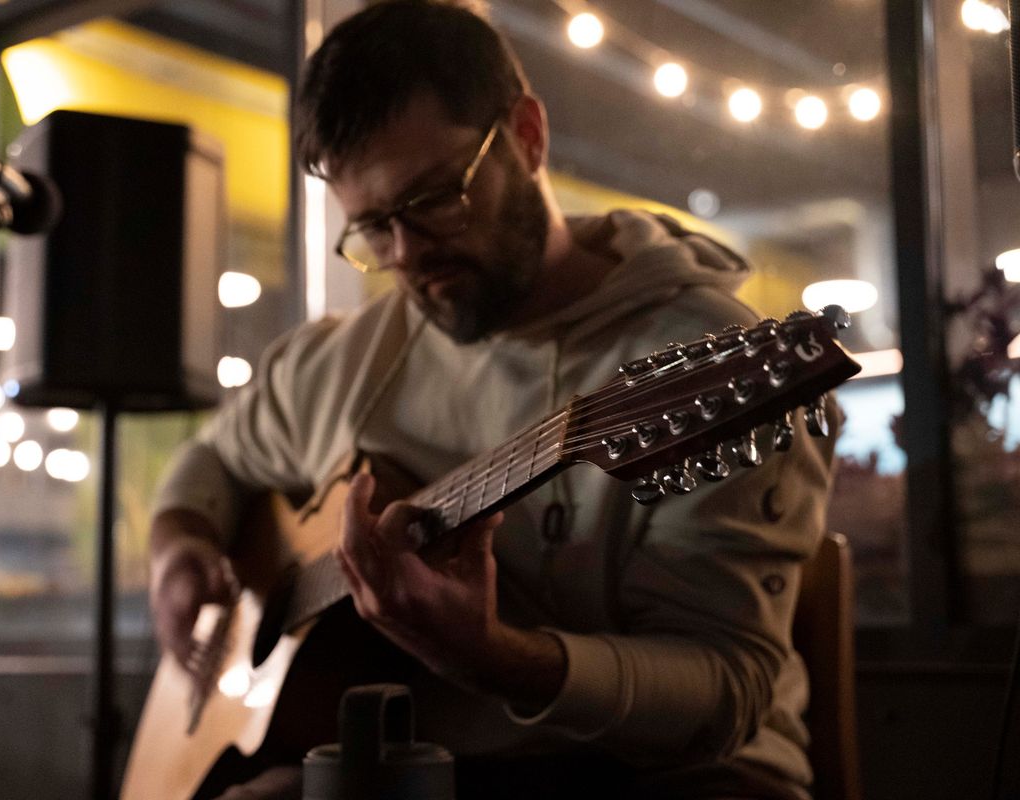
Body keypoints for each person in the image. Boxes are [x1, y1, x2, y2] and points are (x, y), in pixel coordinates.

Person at [148, 1, 838, 797]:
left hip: (684, 776)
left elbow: (725, 692)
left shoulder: (698, 360)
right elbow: (211, 458)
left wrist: (492, 657)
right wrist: (178, 551)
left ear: (528, 136)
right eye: (372, 227)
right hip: (422, 765)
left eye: (435, 199)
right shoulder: (338, 360)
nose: (408, 255)